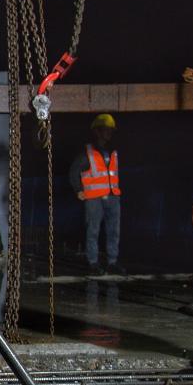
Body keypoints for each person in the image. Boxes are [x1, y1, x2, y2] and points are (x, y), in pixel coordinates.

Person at [69, 114, 123, 275]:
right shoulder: (88, 153)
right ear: (97, 131)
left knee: (114, 231)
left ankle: (112, 262)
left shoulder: (113, 151)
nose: (109, 133)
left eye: (111, 130)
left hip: (113, 197)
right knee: (93, 231)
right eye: (106, 129)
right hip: (94, 198)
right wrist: (79, 190)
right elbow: (74, 171)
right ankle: (93, 263)